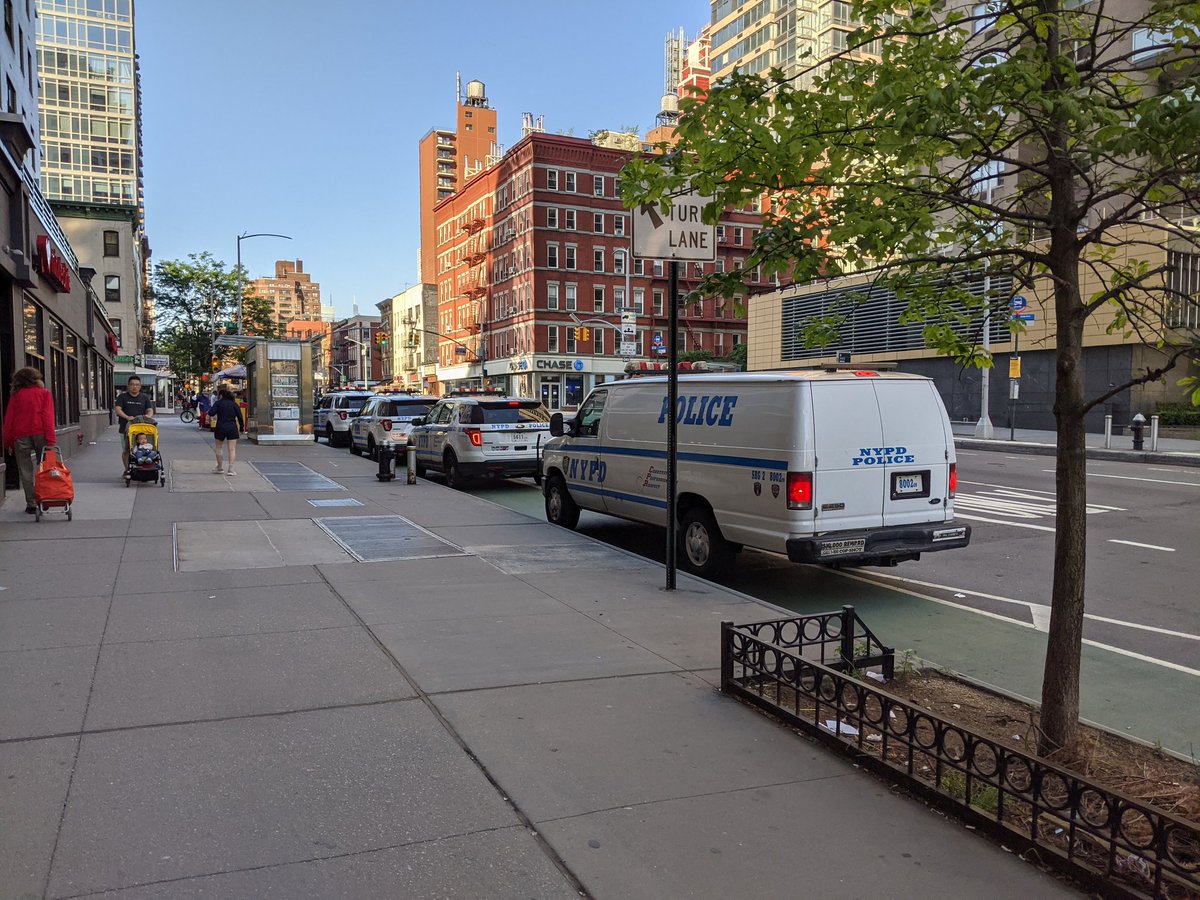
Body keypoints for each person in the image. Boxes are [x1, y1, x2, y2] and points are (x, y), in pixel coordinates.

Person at [2, 367, 57, 514]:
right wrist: (51, 441)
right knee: (43, 467)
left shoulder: (16, 396)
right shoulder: (44, 394)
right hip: (41, 433)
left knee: (25, 470)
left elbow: (9, 420)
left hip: (20, 435)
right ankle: (44, 497)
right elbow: (48, 417)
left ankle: (31, 502)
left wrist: (7, 441)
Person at [114, 376, 154, 472]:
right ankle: (127, 469)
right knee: (127, 450)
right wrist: (127, 417)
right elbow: (118, 409)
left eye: (137, 385)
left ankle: (142, 468)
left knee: (143, 448)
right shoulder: (122, 397)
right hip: (125, 428)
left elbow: (150, 410)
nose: (134, 387)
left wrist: (148, 416)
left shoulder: (144, 397)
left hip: (141, 429)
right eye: (132, 384)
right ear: (128, 386)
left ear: (140, 386)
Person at [210, 387, 245, 475]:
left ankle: (220, 467)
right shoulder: (234, 404)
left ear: (221, 395)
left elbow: (211, 413)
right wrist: (241, 428)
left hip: (220, 427)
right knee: (232, 449)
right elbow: (240, 417)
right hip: (232, 427)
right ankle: (231, 469)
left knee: (219, 448)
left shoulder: (218, 403)